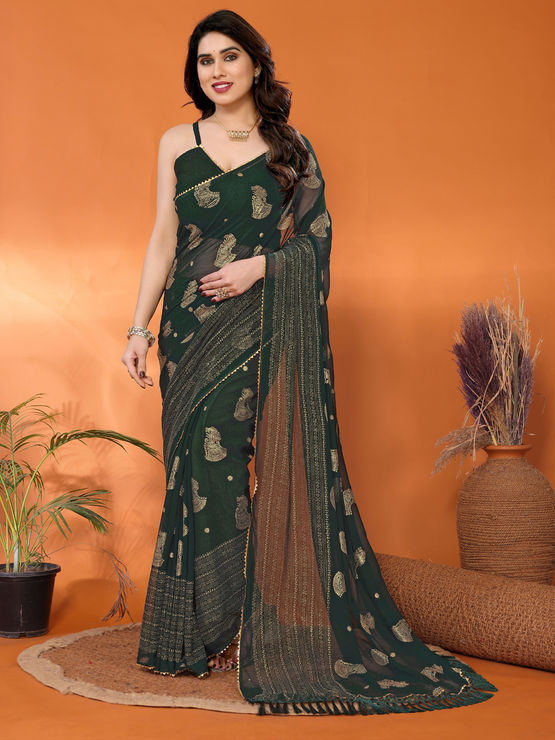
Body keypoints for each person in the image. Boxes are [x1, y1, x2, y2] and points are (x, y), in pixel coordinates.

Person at [122, 9, 498, 716]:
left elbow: (317, 240)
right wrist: (138, 328)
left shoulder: (289, 148)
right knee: (197, 470)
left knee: (251, 463)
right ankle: (204, 634)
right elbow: (162, 239)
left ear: (255, 64)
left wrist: (261, 267)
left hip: (263, 326)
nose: (217, 71)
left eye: (229, 56)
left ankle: (248, 630)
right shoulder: (178, 141)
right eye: (204, 60)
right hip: (190, 332)